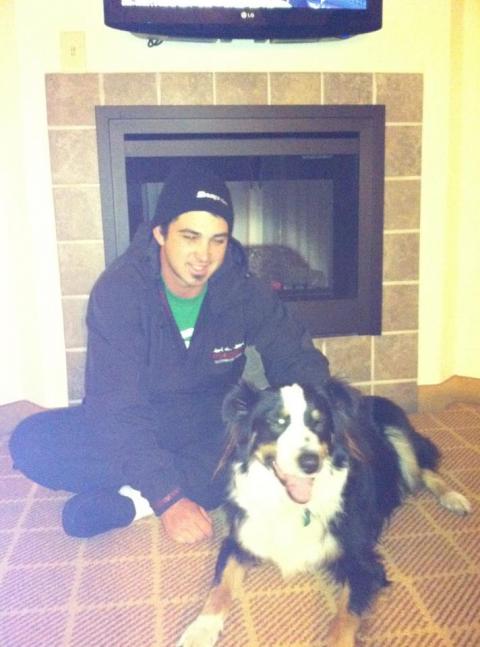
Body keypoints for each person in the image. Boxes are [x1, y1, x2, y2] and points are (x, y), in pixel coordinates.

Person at [9, 163, 330, 543]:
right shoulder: (119, 292)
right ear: (160, 233)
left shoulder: (243, 290)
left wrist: (306, 431)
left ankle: (130, 504)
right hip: (140, 417)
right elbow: (116, 408)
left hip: (212, 422)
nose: (204, 255)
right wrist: (169, 500)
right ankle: (172, 488)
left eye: (218, 240)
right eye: (190, 236)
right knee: (33, 444)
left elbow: (298, 360)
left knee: (248, 445)